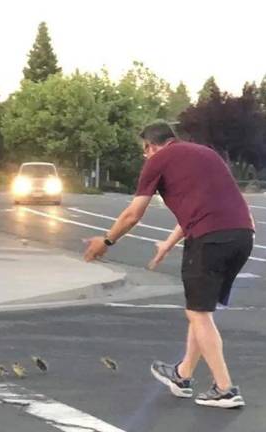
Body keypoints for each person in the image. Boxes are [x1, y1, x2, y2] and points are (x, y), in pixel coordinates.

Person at [83, 121, 254, 409]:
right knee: (201, 310)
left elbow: (133, 214)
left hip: (209, 239)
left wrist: (107, 241)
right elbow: (204, 206)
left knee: (198, 313)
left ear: (150, 145)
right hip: (242, 235)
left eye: (144, 151)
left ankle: (224, 388)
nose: (145, 156)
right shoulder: (205, 154)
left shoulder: (158, 160)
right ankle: (182, 374)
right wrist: (168, 244)